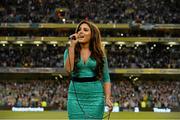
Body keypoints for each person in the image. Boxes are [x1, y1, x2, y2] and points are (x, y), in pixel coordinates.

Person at [64, 20, 113, 119]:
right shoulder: (70, 50)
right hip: (75, 97)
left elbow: (106, 78)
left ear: (92, 35)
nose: (81, 32)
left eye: (85, 30)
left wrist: (107, 98)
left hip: (96, 97)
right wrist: (72, 45)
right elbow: (69, 70)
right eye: (79, 30)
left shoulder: (100, 53)